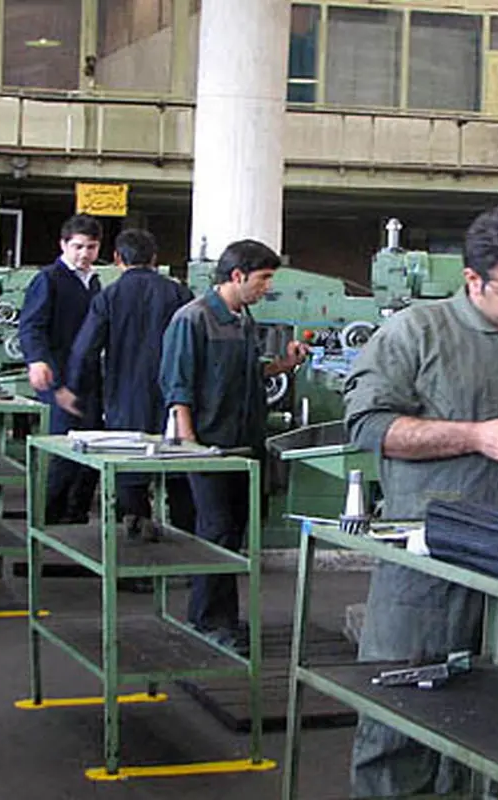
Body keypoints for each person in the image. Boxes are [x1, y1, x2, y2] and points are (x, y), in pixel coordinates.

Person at [343, 205, 498, 798]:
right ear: (473, 280)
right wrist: (473, 436)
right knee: (401, 718)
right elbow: (369, 426)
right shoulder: (415, 334)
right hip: (428, 567)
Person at [159, 239, 307, 653]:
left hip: (243, 446)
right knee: (216, 532)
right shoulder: (193, 319)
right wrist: (191, 446)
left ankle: (221, 616)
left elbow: (248, 375)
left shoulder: (243, 321)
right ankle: (207, 621)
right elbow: (177, 388)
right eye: (263, 278)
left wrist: (284, 365)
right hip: (209, 446)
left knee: (233, 532)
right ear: (237, 275)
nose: (267, 287)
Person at [56, 229, 196, 551]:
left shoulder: (109, 296)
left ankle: (136, 545)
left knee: (129, 473)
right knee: (179, 473)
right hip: (174, 402)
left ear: (118, 258)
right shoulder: (180, 294)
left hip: (124, 400)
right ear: (155, 258)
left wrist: (73, 390)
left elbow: (84, 351)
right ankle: (189, 550)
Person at [18, 214, 104, 524]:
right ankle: (47, 521)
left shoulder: (94, 282)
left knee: (92, 449)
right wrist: (37, 360)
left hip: (87, 379)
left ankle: (76, 515)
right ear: (63, 245)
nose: (84, 254)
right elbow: (31, 326)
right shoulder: (49, 279)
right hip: (58, 378)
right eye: (78, 246)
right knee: (63, 451)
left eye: (91, 247)